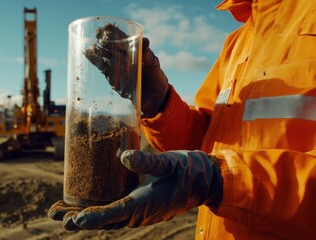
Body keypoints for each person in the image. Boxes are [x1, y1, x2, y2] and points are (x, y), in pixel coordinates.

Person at [48, 0, 316, 239]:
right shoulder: (240, 41)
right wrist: (161, 104)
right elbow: (207, 142)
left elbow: (210, 170)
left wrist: (218, 181)